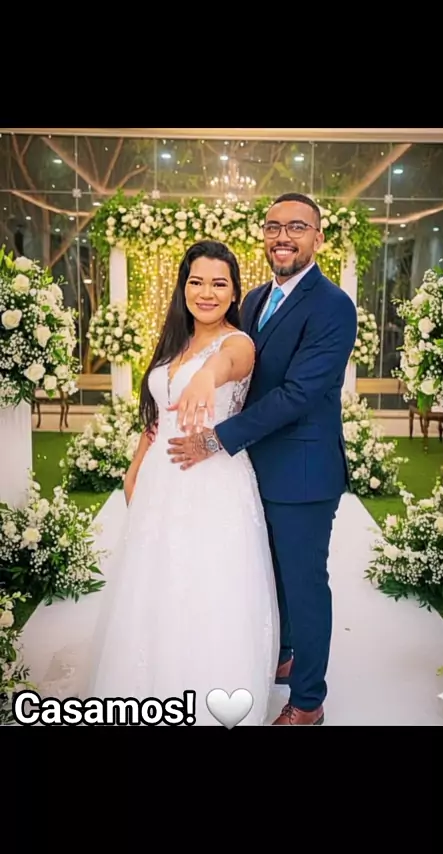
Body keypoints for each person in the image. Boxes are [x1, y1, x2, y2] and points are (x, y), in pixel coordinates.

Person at [167, 193, 358, 726]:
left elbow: (298, 394)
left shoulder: (333, 305)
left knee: (304, 585)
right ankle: (283, 653)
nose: (283, 236)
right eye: (273, 226)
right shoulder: (252, 299)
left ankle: (308, 700)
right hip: (252, 468)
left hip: (302, 472)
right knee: (268, 574)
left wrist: (216, 439)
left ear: (318, 237)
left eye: (296, 227)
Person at [84, 239, 280, 725]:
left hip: (212, 483)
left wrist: (204, 377)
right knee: (152, 587)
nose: (206, 293)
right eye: (196, 281)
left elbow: (225, 366)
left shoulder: (237, 343)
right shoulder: (174, 340)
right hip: (159, 483)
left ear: (234, 292)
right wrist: (135, 469)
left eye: (219, 283)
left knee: (205, 587)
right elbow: (157, 418)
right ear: (183, 286)